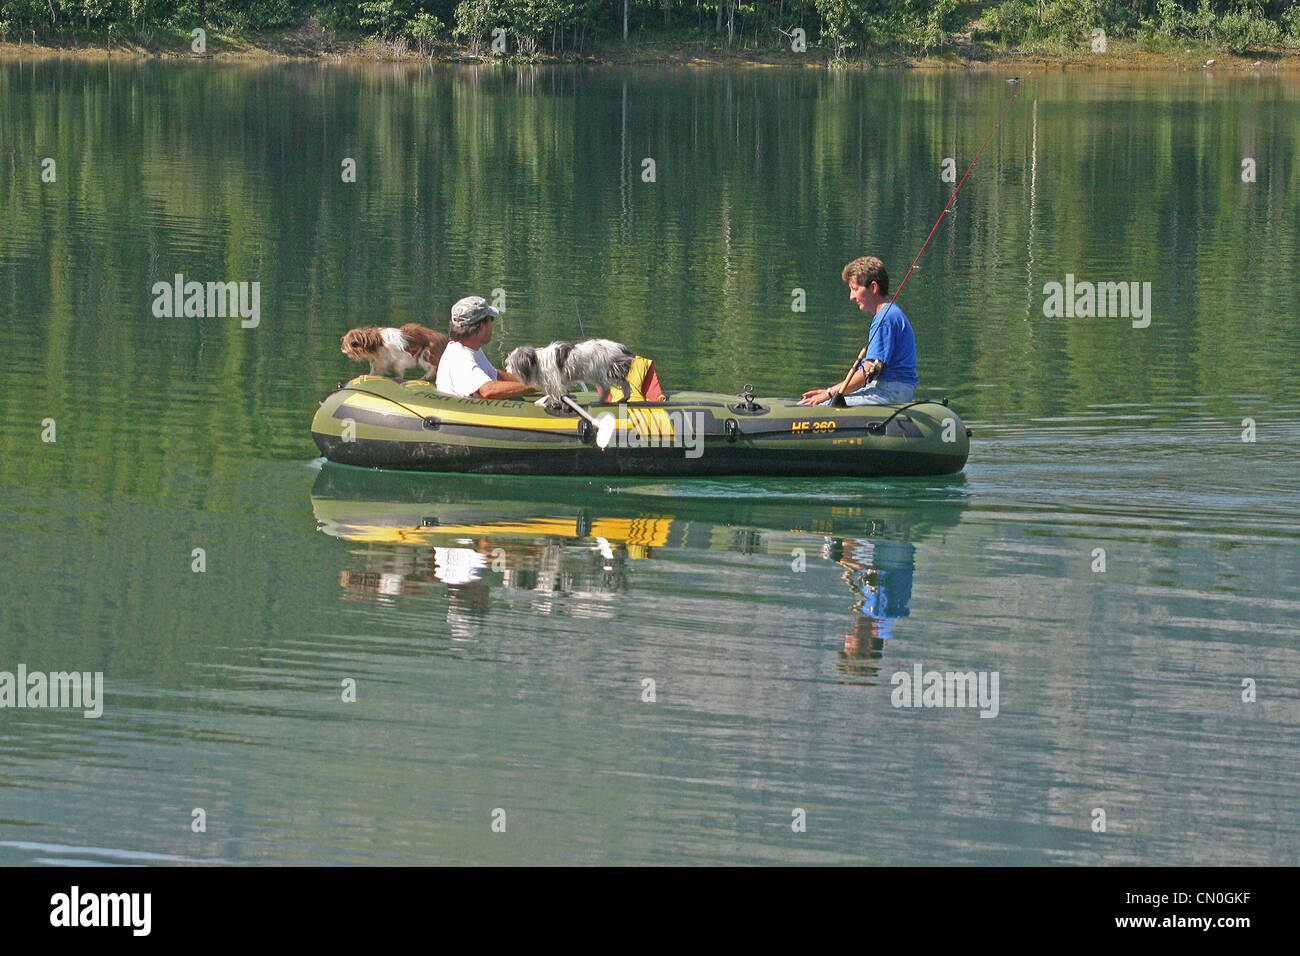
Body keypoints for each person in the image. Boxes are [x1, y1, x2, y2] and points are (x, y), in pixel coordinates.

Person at [798, 256, 919, 406]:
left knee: (819, 407)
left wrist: (828, 393)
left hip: (890, 392)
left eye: (855, 289)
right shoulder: (890, 313)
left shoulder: (885, 318)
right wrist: (830, 391)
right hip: (893, 389)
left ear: (873, 287)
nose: (851, 296)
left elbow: (870, 370)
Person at [434, 295, 534, 400]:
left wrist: (533, 380)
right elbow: (487, 390)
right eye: (491, 319)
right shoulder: (461, 357)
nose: (492, 325)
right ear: (482, 325)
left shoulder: (472, 348)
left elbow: (495, 375)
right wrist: (538, 386)